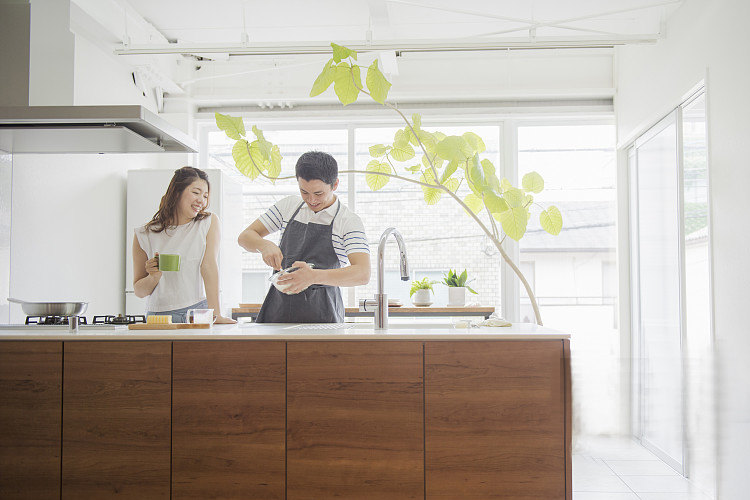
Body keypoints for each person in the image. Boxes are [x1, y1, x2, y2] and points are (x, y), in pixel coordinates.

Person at [238, 151, 370, 323]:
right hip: (277, 312)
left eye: (319, 193)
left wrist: (313, 276)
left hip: (324, 317)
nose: (311, 200)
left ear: (335, 184)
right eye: (304, 192)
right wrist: (263, 245)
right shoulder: (289, 206)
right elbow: (245, 237)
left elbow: (362, 273)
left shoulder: (348, 221)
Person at [132, 166, 235, 324]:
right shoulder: (145, 234)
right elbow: (139, 291)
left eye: (205, 196)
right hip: (158, 316)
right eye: (196, 192)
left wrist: (217, 315)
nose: (201, 200)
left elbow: (208, 267)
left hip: (197, 311)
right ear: (177, 192)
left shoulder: (208, 223)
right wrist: (153, 277)